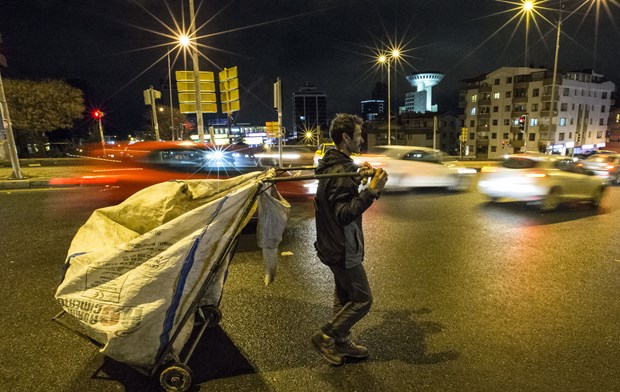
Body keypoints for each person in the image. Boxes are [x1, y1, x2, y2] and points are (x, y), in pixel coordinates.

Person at [311, 113, 388, 365]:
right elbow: (343, 213)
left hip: (332, 244)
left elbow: (338, 196)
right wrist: (372, 191)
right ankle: (325, 336)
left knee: (344, 298)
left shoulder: (334, 165)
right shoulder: (339, 171)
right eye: (358, 135)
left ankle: (341, 344)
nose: (362, 139)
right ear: (346, 137)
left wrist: (357, 178)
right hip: (342, 247)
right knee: (362, 299)